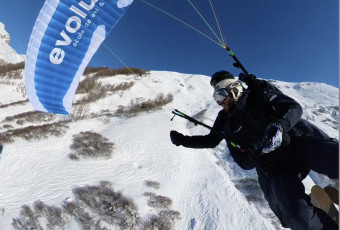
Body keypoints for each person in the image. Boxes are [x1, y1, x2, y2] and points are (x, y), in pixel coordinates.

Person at [170, 71, 339, 230]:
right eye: (215, 97)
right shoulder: (226, 121)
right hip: (275, 167)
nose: (219, 102)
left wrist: (279, 127)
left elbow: (294, 108)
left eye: (220, 95)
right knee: (297, 218)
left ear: (233, 89)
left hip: (295, 144)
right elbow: (216, 143)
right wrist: (184, 141)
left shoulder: (259, 95)